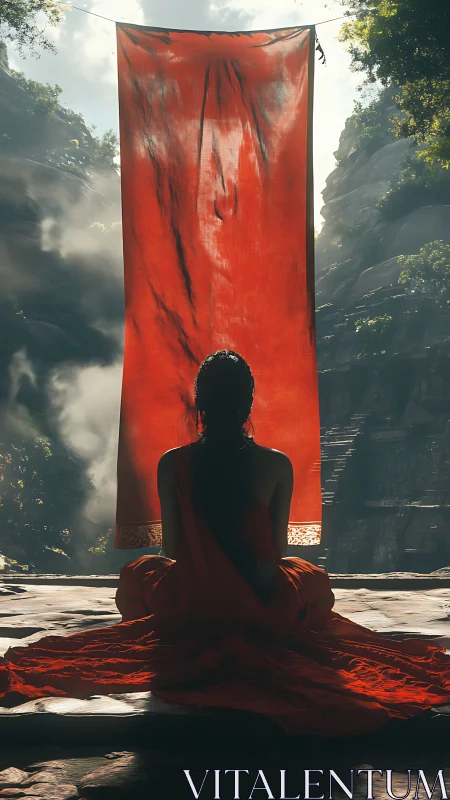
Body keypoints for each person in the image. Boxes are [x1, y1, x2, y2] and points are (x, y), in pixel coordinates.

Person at [1, 350, 450, 737]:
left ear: (199, 402)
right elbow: (276, 549)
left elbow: (172, 547)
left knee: (139, 575)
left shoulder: (172, 463)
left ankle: (184, 620)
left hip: (191, 604)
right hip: (266, 604)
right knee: (313, 581)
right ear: (248, 402)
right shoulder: (276, 464)